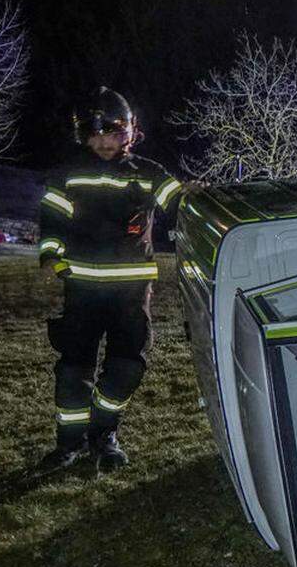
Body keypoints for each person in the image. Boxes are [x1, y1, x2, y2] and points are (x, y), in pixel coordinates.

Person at [35, 86, 186, 473]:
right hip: (81, 291)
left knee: (126, 367)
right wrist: (53, 258)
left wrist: (197, 196)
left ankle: (105, 435)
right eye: (97, 133)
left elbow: (181, 202)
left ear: (130, 133)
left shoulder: (150, 173)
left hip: (131, 295)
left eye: (114, 133)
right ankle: (69, 443)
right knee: (72, 370)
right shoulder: (67, 174)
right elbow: (52, 221)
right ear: (83, 134)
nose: (104, 141)